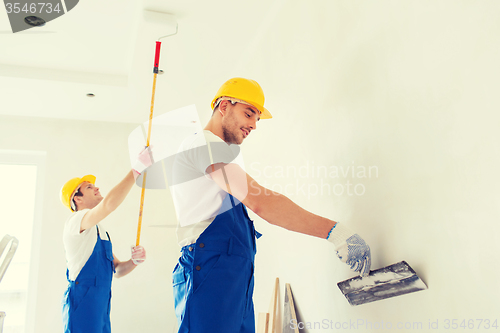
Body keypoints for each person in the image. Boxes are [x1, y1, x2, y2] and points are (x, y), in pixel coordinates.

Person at [170, 77, 372, 333]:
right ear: (223, 106)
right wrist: (335, 232)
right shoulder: (203, 145)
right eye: (249, 113)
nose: (254, 125)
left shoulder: (219, 156)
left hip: (231, 275)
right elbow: (261, 201)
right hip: (209, 270)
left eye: (256, 118)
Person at [60, 169, 148, 333]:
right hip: (82, 304)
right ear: (77, 198)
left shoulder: (99, 230)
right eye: (89, 187)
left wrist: (133, 261)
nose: (97, 188)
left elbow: (117, 270)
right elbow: (109, 204)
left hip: (101, 307)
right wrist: (136, 171)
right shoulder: (76, 221)